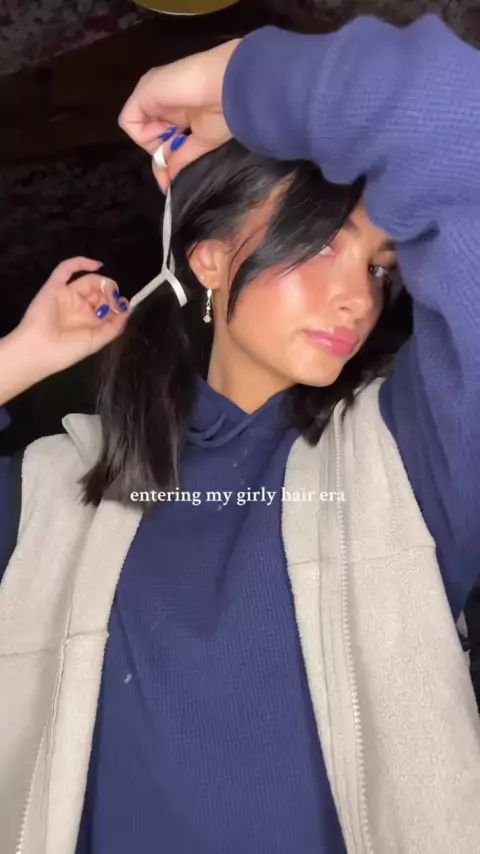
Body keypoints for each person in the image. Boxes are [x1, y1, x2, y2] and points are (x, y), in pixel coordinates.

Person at [1, 12, 480, 854]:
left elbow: (457, 121)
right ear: (210, 256)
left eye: (379, 268)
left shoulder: (411, 463)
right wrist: (19, 358)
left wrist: (236, 78)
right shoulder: (57, 491)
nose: (359, 298)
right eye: (322, 246)